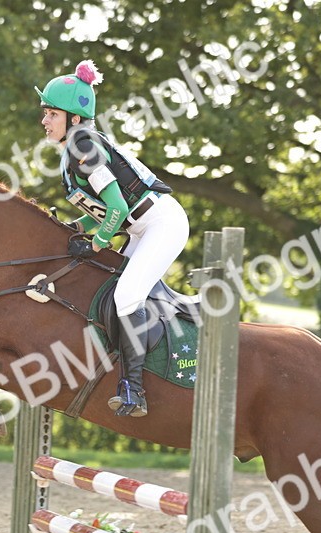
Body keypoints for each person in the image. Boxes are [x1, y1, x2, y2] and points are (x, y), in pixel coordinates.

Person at [36, 60, 190, 417]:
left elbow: (117, 209)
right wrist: (76, 227)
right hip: (141, 227)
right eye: (45, 113)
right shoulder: (73, 147)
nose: (44, 121)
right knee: (107, 290)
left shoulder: (82, 146)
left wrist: (95, 243)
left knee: (125, 296)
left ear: (74, 118)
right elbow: (107, 211)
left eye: (51, 114)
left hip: (161, 224)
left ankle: (134, 389)